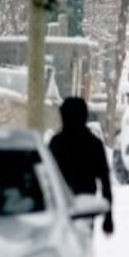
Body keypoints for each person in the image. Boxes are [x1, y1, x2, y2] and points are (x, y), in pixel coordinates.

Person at [49, 97, 115, 235]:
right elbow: (105, 183)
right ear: (85, 117)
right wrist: (108, 217)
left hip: (57, 209)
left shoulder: (56, 145)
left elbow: (45, 178)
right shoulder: (94, 145)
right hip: (85, 209)